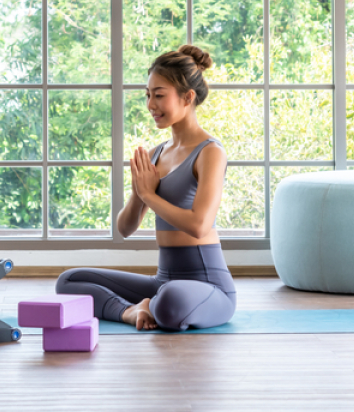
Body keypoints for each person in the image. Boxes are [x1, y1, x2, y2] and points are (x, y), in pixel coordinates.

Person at [56, 45, 236, 331]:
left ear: (187, 97)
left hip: (208, 286)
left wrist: (149, 195)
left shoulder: (210, 152)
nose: (150, 104)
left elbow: (200, 225)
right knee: (68, 281)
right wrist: (138, 192)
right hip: (162, 280)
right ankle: (131, 312)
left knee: (170, 302)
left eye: (159, 95)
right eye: (148, 95)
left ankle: (151, 306)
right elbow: (124, 229)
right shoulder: (155, 154)